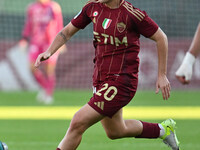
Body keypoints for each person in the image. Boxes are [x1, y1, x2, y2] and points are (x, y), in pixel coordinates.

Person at [35, 0, 180, 149]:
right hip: (100, 79)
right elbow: (67, 32)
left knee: (78, 122)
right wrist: (49, 51)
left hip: (122, 81)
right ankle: (163, 130)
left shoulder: (132, 14)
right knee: (115, 131)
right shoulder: (92, 8)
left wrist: (162, 74)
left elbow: (161, 38)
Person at [19, 0, 65, 104]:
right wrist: (24, 39)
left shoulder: (54, 7)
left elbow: (59, 24)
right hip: (36, 42)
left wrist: (61, 42)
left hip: (50, 42)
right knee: (32, 67)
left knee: (49, 69)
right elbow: (29, 25)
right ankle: (45, 88)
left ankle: (48, 94)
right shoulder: (31, 8)